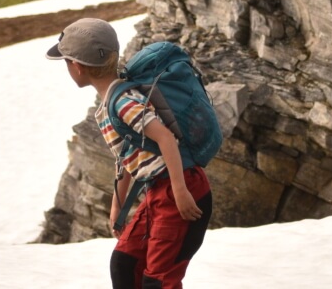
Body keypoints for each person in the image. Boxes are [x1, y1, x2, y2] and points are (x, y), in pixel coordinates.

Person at [46, 18, 213, 289]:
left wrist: (181, 191)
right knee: (124, 264)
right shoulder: (110, 103)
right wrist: (118, 204)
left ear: (77, 66)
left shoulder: (123, 103)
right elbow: (127, 153)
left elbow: (166, 139)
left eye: (66, 61)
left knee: (158, 281)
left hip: (179, 187)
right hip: (160, 191)